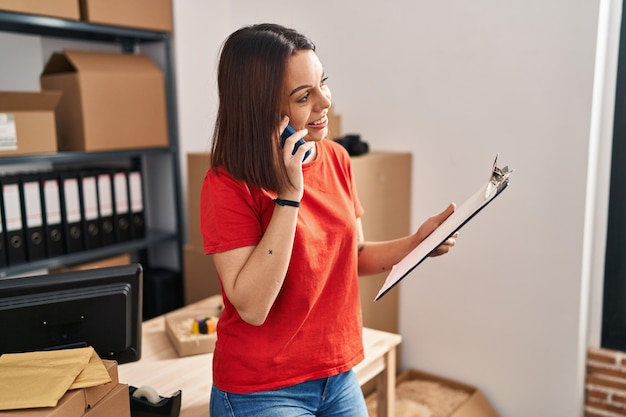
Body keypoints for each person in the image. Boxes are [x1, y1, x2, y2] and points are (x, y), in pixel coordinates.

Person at [200, 23, 458, 417]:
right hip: (263, 390)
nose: (325, 103)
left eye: (324, 83)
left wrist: (416, 244)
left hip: (336, 376)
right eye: (304, 96)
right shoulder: (226, 183)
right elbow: (252, 307)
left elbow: (352, 256)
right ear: (260, 109)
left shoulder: (336, 158)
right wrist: (289, 197)